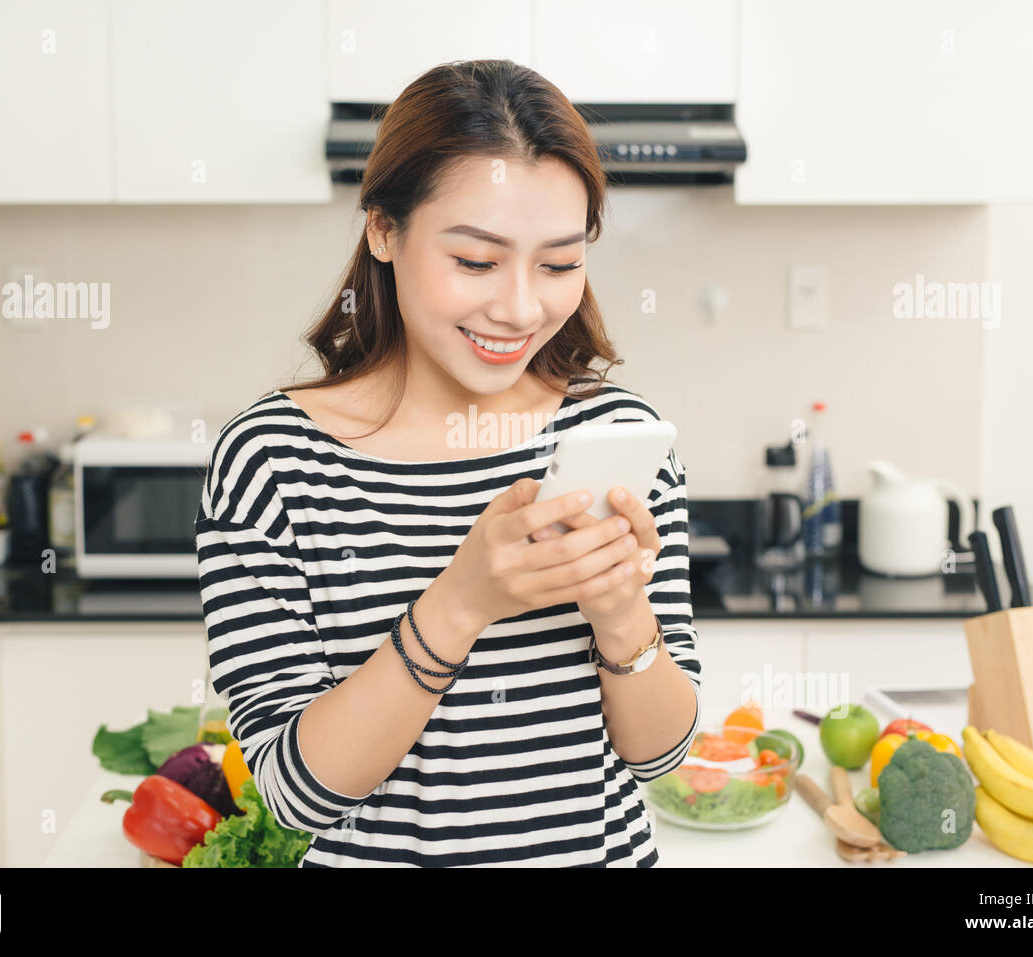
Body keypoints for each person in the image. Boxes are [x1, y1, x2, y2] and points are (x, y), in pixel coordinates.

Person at [196, 59, 700, 866]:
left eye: (560, 263)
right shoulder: (275, 462)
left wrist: (620, 614)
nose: (521, 307)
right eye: (475, 261)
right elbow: (296, 794)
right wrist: (461, 603)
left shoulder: (616, 438)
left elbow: (662, 756)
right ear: (384, 230)